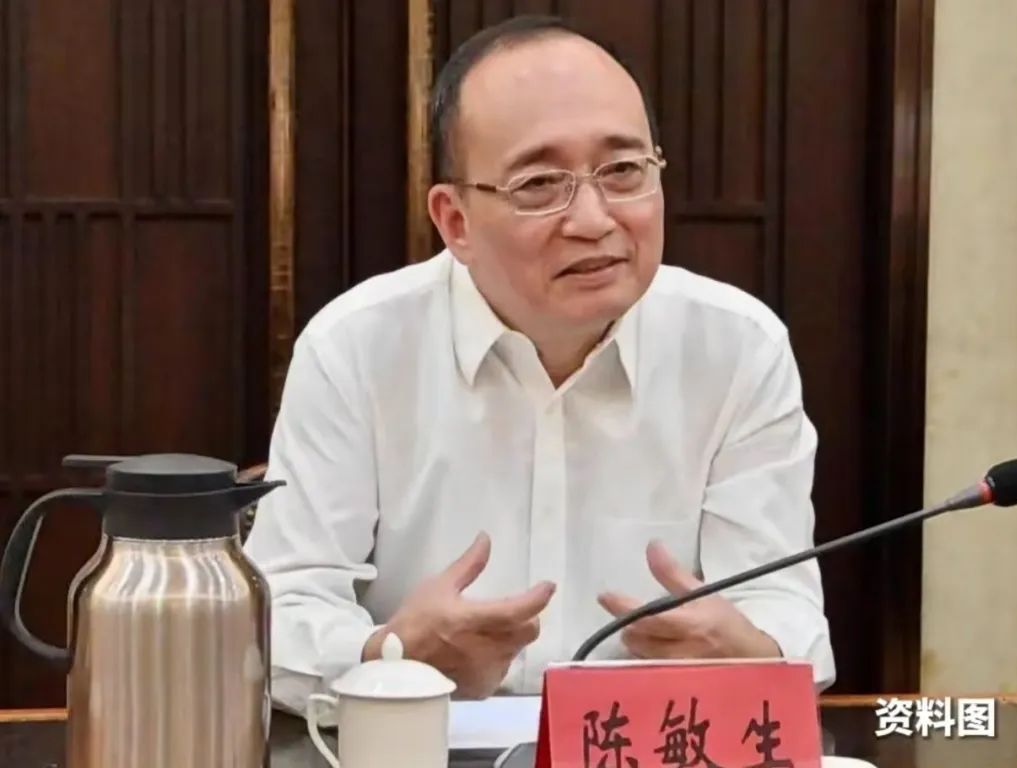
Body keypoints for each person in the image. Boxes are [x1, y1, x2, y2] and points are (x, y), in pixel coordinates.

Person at [244, 15, 835, 715]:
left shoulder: (737, 347)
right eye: (539, 184)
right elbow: (281, 613)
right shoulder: (356, 348)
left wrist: (750, 651)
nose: (593, 220)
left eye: (623, 172)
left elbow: (785, 609)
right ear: (455, 221)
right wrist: (389, 658)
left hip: (650, 746)